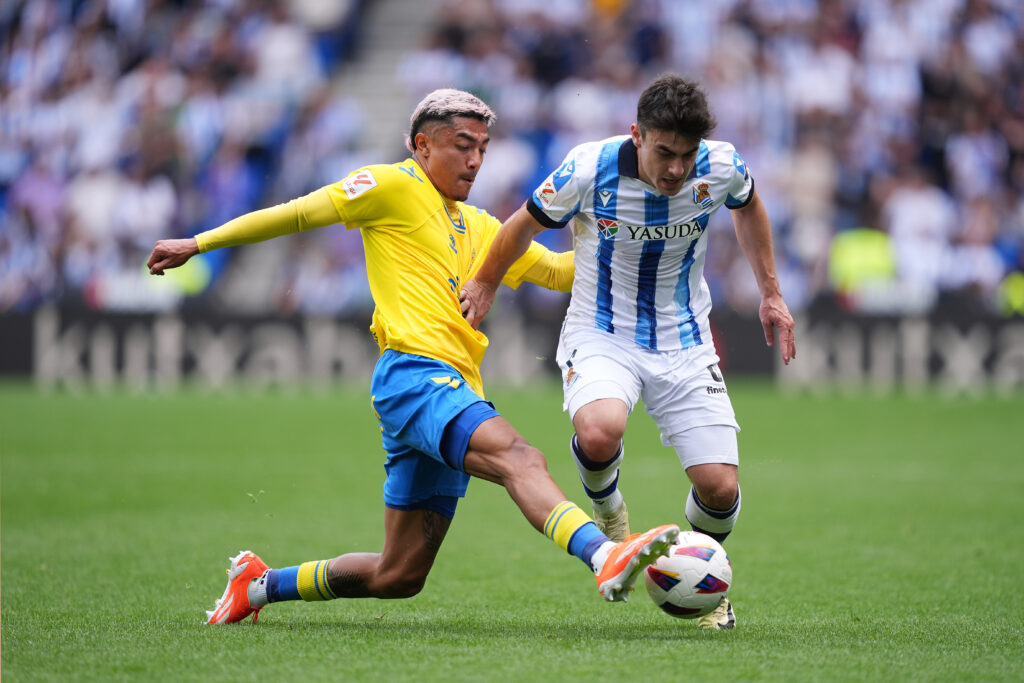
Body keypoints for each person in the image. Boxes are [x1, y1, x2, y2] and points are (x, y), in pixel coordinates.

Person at [146, 89, 680, 625]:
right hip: (414, 376)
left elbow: (561, 273)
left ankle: (258, 586)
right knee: (520, 458)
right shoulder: (392, 185)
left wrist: (618, 230)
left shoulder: (483, 228)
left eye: (483, 149)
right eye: (461, 145)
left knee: (398, 575)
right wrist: (201, 243)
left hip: (448, 391)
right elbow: (300, 213)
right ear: (423, 145)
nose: (474, 159)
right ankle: (605, 554)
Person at [461, 75, 797, 630]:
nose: (676, 169)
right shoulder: (589, 169)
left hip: (686, 338)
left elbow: (750, 206)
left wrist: (771, 293)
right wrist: (487, 282)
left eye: (686, 156)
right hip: (601, 330)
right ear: (637, 134)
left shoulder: (722, 166)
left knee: (721, 487)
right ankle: (611, 514)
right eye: (664, 152)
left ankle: (702, 585)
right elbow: (522, 224)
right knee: (599, 430)